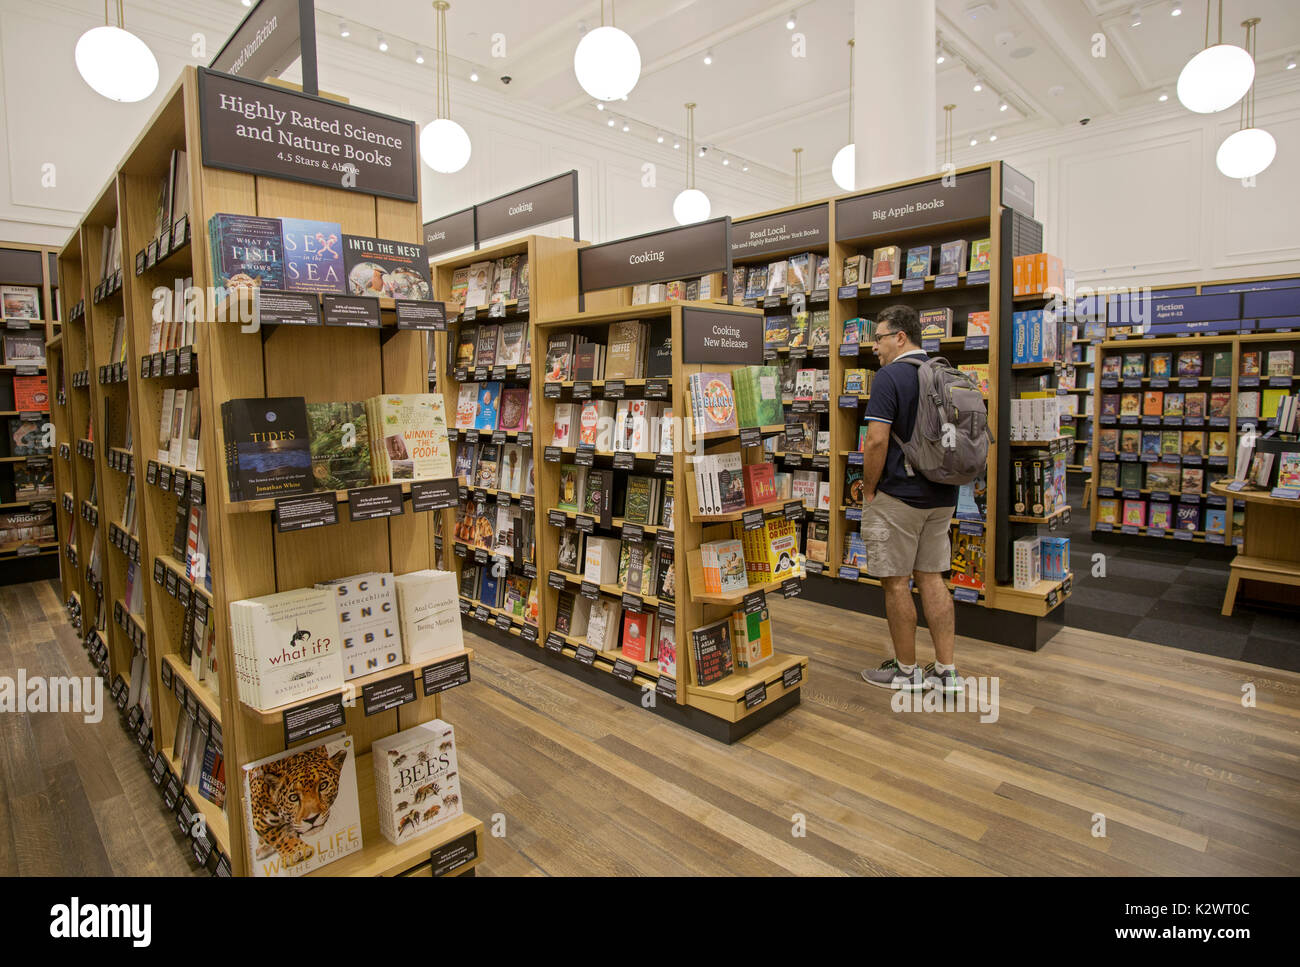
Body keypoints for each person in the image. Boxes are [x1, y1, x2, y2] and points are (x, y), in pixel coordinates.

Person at [858, 305, 962, 694]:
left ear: (900, 337)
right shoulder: (946, 371)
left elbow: (877, 440)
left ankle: (905, 671)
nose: (875, 347)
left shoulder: (890, 377)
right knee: (933, 579)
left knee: (897, 584)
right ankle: (946, 671)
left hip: (899, 496)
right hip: (943, 494)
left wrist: (868, 489)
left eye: (879, 338)